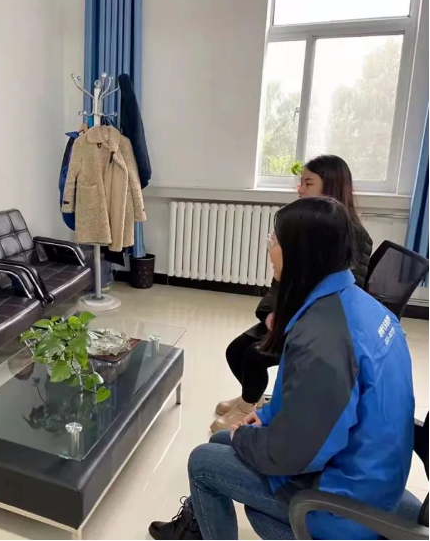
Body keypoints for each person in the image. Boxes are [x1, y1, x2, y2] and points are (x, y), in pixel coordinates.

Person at [149, 197, 416, 540]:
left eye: (273, 241)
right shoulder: (361, 307)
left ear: (300, 253)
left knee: (203, 462)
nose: (269, 250)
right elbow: (318, 404)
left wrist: (246, 437)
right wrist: (266, 416)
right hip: (373, 474)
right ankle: (198, 524)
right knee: (221, 439)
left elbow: (295, 454)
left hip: (344, 504)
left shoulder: (323, 339)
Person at [212, 155, 373, 432]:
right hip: (290, 313)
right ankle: (251, 398)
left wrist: (291, 318)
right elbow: (283, 280)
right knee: (235, 350)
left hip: (316, 325)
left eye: (308, 183)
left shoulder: (353, 236)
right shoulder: (307, 227)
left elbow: (345, 293)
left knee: (253, 355)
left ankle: (249, 408)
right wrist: (271, 312)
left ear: (331, 186)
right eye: (300, 182)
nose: (300, 189)